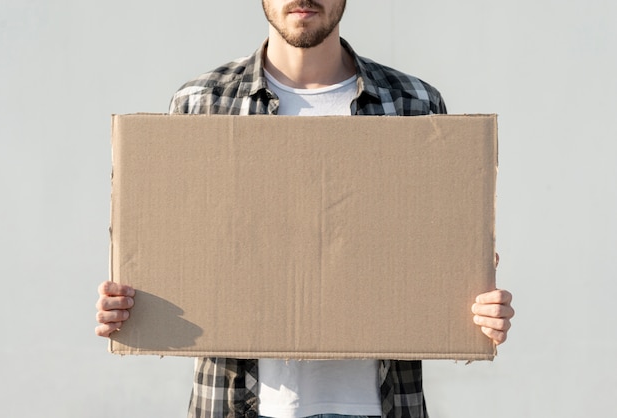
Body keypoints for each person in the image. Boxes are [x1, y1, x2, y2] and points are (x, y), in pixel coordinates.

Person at [95, 1, 515, 417]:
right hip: (237, 403)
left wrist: (476, 304)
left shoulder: (414, 104)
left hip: (380, 405)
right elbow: (178, 255)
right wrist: (132, 305)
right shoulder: (201, 104)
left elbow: (439, 260)